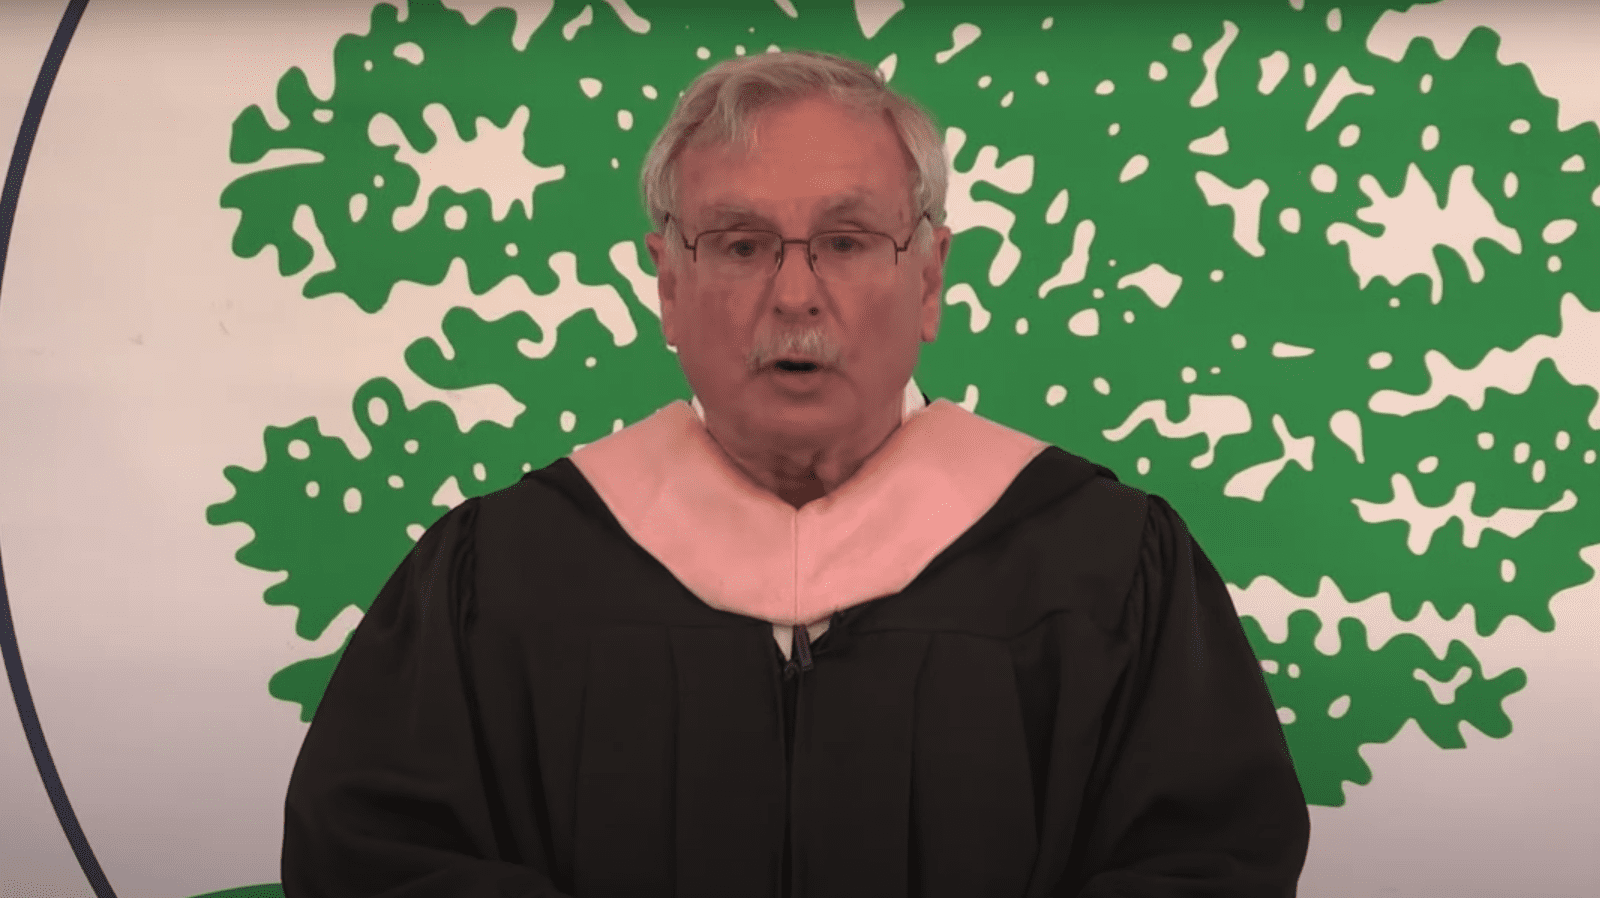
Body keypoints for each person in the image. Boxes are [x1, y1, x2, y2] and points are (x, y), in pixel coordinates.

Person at [281, 49, 1309, 897]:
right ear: (668, 286)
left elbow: (1209, 860)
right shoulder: (505, 570)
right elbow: (371, 857)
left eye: (848, 241)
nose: (794, 295)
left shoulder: (1101, 563)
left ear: (929, 278)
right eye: (737, 245)